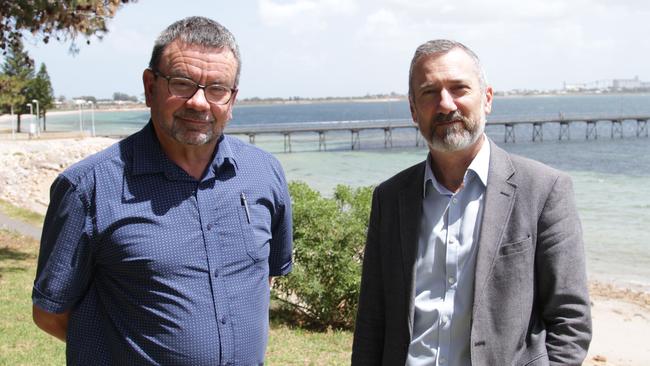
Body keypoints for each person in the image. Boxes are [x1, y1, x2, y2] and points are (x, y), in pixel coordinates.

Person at [32, 16, 292, 365]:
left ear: (232, 100)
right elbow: (50, 312)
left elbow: (264, 279)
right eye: (182, 83)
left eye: (217, 89)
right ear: (149, 86)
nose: (199, 103)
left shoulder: (264, 173)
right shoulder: (88, 188)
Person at [352, 40, 591, 365]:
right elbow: (372, 319)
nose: (445, 104)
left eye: (459, 89)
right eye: (429, 92)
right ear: (412, 110)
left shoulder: (544, 189)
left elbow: (570, 318)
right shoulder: (390, 198)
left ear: (487, 98)